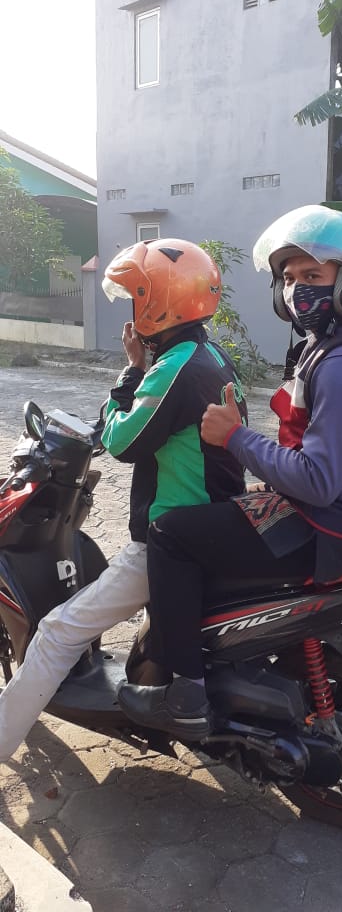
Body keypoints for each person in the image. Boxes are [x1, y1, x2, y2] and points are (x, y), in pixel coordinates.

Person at [118, 205, 342, 740]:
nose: (297, 291)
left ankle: (185, 695)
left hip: (327, 528)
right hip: (340, 517)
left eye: (313, 275)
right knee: (226, 514)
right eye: (289, 278)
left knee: (172, 533)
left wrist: (234, 438)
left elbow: (317, 480)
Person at [0, 238, 247, 760]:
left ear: (160, 303)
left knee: (57, 632)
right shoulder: (212, 356)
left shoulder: (175, 366)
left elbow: (121, 441)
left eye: (138, 296)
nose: (133, 308)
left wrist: (128, 373)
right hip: (214, 521)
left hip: (170, 537)